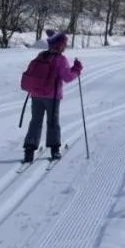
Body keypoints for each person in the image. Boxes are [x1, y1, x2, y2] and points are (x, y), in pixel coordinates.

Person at [23, 31, 82, 163]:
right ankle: (55, 150)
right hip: (52, 96)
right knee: (53, 122)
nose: (65, 46)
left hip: (36, 95)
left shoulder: (41, 55)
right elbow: (67, 77)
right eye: (64, 44)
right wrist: (76, 70)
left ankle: (29, 151)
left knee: (35, 122)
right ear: (60, 45)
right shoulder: (61, 60)